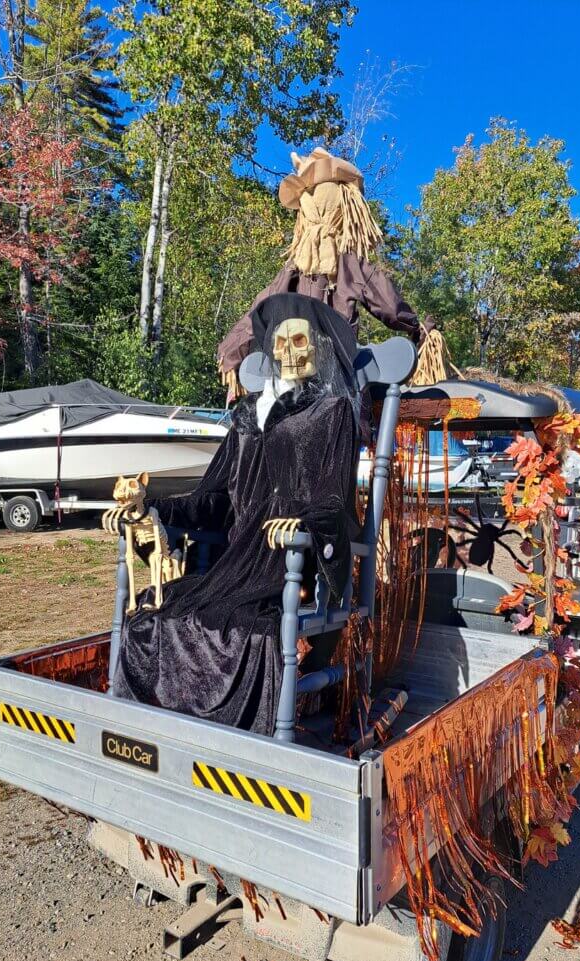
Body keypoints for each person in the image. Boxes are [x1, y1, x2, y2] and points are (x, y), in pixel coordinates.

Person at [112, 295, 361, 735]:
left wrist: (306, 523)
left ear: (317, 346)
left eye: (299, 340)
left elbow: (335, 497)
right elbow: (213, 498)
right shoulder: (248, 415)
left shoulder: (331, 411)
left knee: (236, 627)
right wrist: (149, 508)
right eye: (279, 342)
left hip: (289, 561)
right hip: (237, 560)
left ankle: (230, 733)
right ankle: (160, 719)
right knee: (160, 612)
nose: (288, 351)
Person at [217, 147, 451, 399]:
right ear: (347, 208)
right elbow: (391, 307)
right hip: (339, 386)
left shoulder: (292, 270)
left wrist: (232, 354)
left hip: (293, 385)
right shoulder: (352, 266)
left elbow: (256, 315)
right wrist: (421, 330)